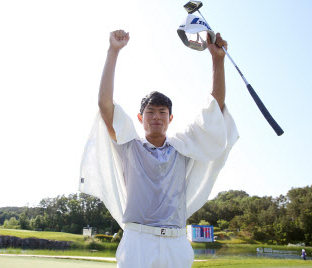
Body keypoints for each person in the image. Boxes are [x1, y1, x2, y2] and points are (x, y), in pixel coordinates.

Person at [79, 29, 239, 268]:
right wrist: (113, 51)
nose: (156, 117)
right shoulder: (129, 145)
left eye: (162, 112)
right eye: (150, 112)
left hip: (176, 243)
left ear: (170, 118)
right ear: (140, 117)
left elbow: (214, 111)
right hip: (137, 241)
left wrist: (217, 60)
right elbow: (105, 105)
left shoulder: (183, 147)